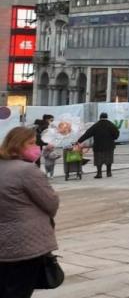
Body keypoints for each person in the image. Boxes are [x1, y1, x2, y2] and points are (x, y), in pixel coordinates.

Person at [0, 127, 60, 298]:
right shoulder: (27, 171)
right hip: (24, 243)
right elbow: (50, 203)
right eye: (32, 143)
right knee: (19, 290)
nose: (36, 147)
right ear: (17, 145)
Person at [76, 112, 120, 178]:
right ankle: (109, 172)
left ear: (100, 117)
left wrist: (79, 141)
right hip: (109, 146)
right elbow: (117, 133)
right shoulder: (111, 125)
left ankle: (99, 173)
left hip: (98, 146)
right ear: (107, 117)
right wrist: (113, 138)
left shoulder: (96, 125)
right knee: (109, 159)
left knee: (98, 160)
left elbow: (87, 134)